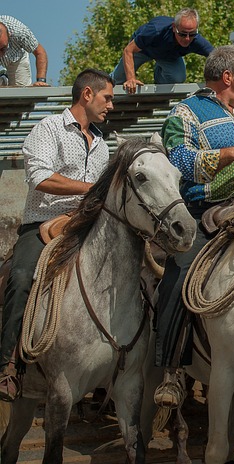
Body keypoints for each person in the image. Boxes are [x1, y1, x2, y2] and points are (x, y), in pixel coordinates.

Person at [153, 45, 234, 408]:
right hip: (207, 210)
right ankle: (171, 370)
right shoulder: (185, 113)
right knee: (179, 272)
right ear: (228, 77)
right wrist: (232, 154)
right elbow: (179, 161)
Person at [0, 69, 115, 401]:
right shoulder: (48, 128)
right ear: (87, 95)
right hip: (42, 225)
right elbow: (39, 177)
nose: (111, 105)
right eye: (107, 97)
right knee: (21, 277)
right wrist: (92, 188)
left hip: (86, 226)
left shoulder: (103, 145)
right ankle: (9, 366)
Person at [112, 8, 234, 94]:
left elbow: (224, 59)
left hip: (168, 57)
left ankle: (159, 77)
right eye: (182, 34)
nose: (187, 39)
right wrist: (131, 78)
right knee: (119, 81)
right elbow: (128, 50)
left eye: (191, 34)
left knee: (178, 76)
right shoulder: (155, 30)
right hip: (143, 50)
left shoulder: (196, 41)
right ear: (174, 28)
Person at [0, 15, 49, 87]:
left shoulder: (19, 31)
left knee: (20, 92)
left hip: (17, 57)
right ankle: (3, 78)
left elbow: (40, 52)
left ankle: (4, 77)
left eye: (3, 48)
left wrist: (41, 81)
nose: (1, 54)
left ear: (9, 34)